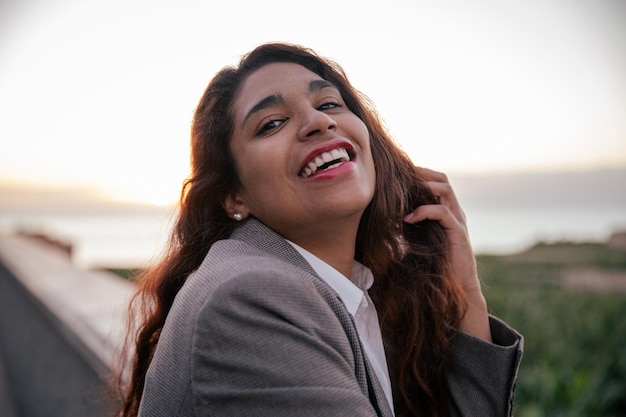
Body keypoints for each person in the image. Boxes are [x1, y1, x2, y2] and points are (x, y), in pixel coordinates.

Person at [117, 42, 522, 417]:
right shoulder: (248, 297)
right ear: (234, 196)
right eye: (271, 123)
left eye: (329, 102)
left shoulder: (351, 293)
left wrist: (465, 288)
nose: (318, 122)